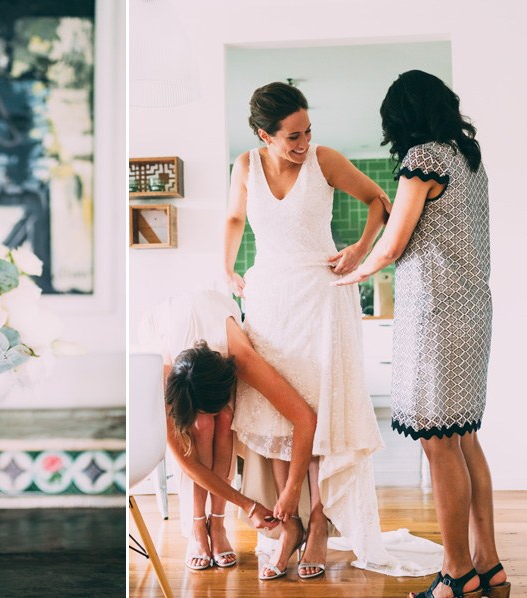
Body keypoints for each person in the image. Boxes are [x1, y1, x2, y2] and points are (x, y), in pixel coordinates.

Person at [225, 81, 439, 580]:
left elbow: (378, 201)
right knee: (277, 415)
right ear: (265, 135)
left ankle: (320, 522)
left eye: (307, 132)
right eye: (292, 137)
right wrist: (227, 268)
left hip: (323, 294)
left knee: (324, 415)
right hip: (270, 299)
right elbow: (235, 218)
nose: (302, 144)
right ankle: (289, 523)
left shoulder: (325, 159)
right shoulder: (244, 167)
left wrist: (361, 248)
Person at [334, 70, 509, 598]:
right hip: (472, 309)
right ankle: (489, 565)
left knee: (438, 445)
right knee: (463, 438)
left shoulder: (424, 159)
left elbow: (391, 246)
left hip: (435, 314)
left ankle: (456, 574)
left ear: (403, 116)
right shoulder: (468, 159)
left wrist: (349, 271)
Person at [139, 290, 317, 572]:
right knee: (203, 425)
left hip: (214, 315)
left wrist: (292, 489)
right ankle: (199, 527)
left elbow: (305, 419)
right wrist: (249, 505)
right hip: (172, 327)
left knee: (222, 419)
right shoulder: (165, 376)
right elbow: (187, 463)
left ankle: (218, 524)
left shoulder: (242, 359)